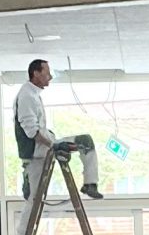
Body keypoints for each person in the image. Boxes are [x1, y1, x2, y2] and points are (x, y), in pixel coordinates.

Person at [13, 59, 102, 200]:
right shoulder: (26, 96)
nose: (50, 77)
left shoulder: (32, 94)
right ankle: (27, 177)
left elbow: (37, 129)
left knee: (85, 141)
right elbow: (32, 132)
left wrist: (52, 140)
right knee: (32, 201)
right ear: (36, 73)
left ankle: (90, 184)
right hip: (36, 151)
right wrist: (53, 145)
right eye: (47, 73)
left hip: (44, 145)